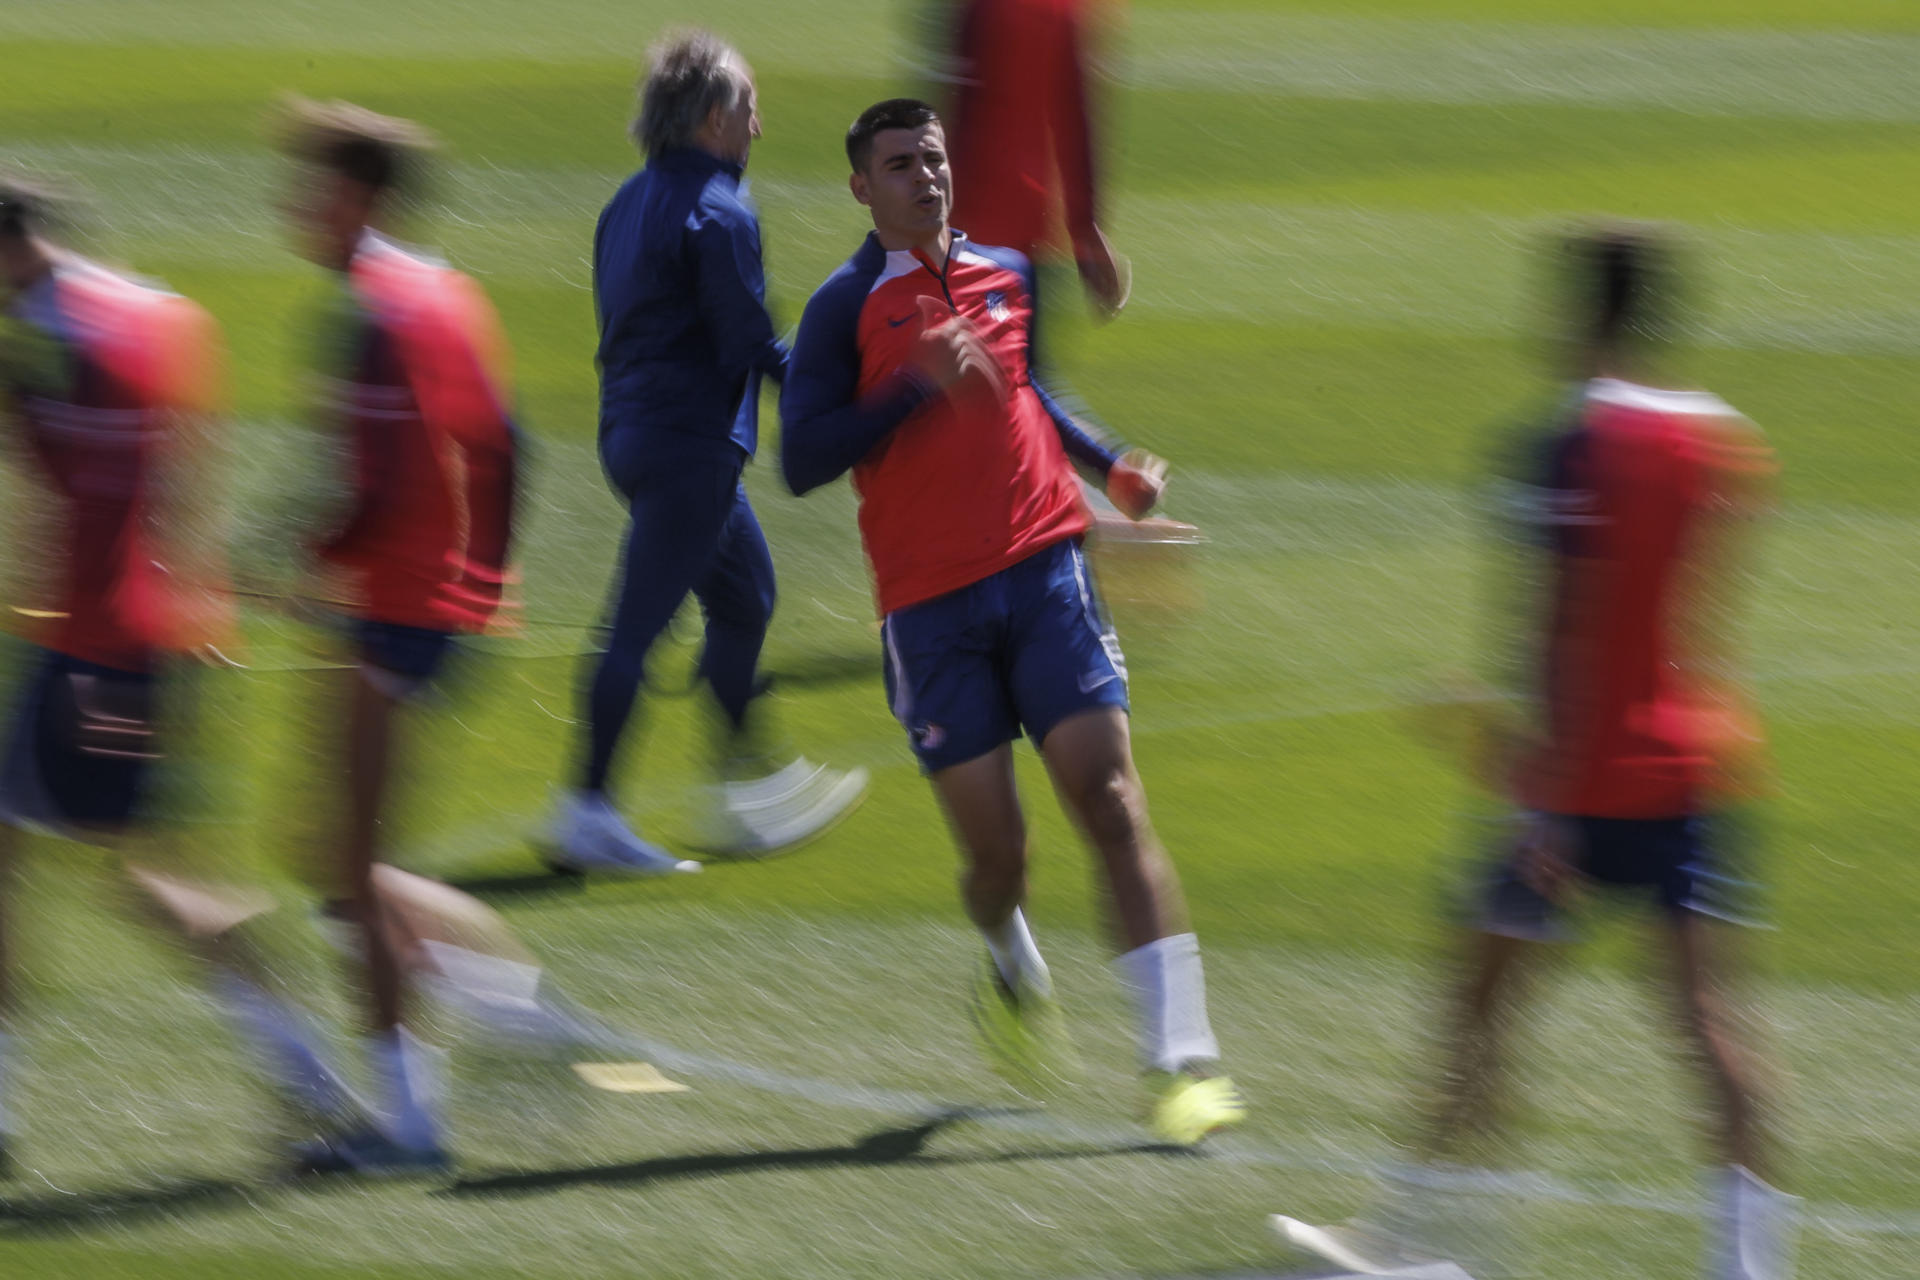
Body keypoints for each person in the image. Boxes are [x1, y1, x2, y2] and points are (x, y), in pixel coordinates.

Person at [1274, 228, 1792, 1280]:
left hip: (1583, 781)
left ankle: (1411, 1240)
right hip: (1696, 765)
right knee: (1713, 1029)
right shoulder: (1728, 443)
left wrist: (1538, 796)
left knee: (1476, 1001)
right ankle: (1750, 1265)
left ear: (1581, 314)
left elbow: (1561, 624)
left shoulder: (1569, 443)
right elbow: (1683, 617)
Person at [779, 98, 1242, 1145]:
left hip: (1045, 574)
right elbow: (802, 458)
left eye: (933, 159)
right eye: (899, 165)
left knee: (1112, 799)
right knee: (1002, 861)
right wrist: (913, 390)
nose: (923, 178)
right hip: (931, 610)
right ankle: (1008, 956)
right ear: (862, 187)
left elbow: (1031, 386)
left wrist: (1110, 463)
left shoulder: (1007, 272)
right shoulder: (840, 308)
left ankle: (1181, 1061)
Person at [0, 177, 367, 1177]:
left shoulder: (42, 342)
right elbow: (180, 469)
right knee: (103, 867)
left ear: (13, 248)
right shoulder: (157, 314)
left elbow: (50, 479)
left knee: (151, 880)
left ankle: (314, 1080)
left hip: (95, 644)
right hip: (159, 630)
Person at [277, 100, 532, 1171]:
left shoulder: (373, 312)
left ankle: (414, 1115)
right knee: (336, 854)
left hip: (390, 610)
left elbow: (374, 492)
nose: (295, 204)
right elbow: (510, 447)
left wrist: (298, 562)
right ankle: (496, 996)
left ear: (359, 196)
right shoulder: (449, 292)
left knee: (347, 862)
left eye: (313, 183)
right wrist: (485, 576)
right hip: (436, 607)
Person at [548, 29, 867, 873]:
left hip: (634, 433)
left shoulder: (626, 201)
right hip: (689, 447)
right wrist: (850, 398)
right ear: (716, 115)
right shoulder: (722, 210)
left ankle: (747, 793)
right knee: (635, 627)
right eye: (751, 110)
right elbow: (749, 345)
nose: (758, 128)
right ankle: (586, 810)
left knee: (746, 599)